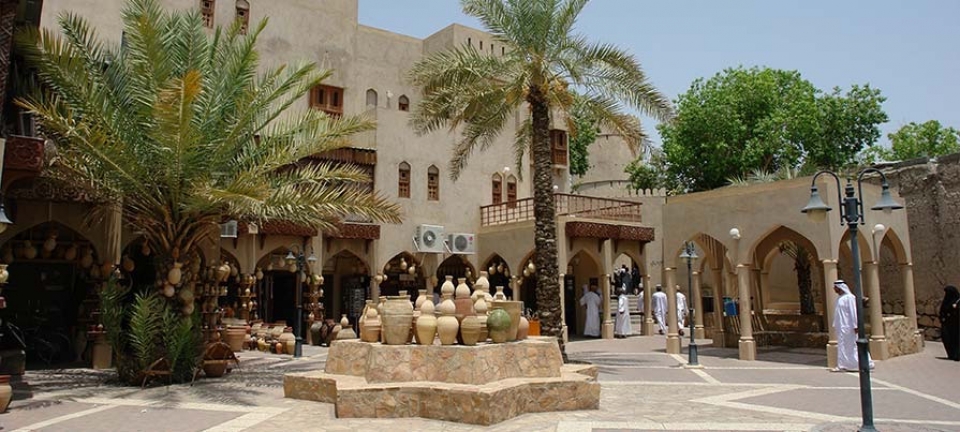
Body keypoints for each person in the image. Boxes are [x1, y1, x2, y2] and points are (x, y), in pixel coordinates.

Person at [832, 280, 874, 372]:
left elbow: (853, 312)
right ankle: (843, 365)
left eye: (835, 287)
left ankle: (865, 363)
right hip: (842, 328)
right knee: (843, 346)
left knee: (854, 346)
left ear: (840, 287)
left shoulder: (850, 298)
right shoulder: (839, 298)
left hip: (849, 327)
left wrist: (855, 325)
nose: (834, 289)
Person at [939, 285, 960, 361]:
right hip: (947, 326)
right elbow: (942, 312)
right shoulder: (946, 301)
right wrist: (943, 319)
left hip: (956, 325)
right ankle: (951, 354)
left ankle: (957, 355)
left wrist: (955, 308)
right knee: (947, 338)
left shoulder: (958, 301)